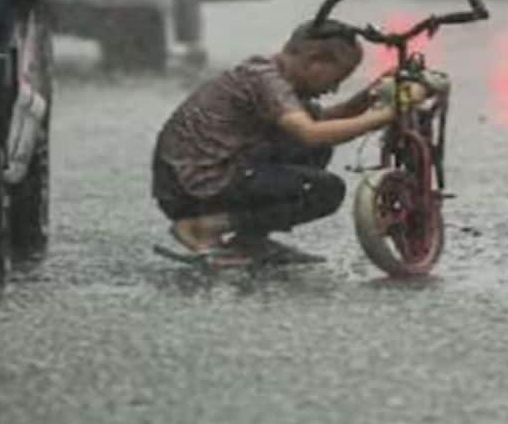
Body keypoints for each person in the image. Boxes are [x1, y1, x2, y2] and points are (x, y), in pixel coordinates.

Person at [151, 21, 424, 266]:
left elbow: (323, 121)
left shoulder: (274, 75)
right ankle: (201, 228)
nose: (334, 89)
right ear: (314, 60)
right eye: (336, 78)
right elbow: (310, 132)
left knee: (314, 150)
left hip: (199, 179)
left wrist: (368, 97)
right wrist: (386, 116)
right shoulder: (267, 80)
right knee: (325, 190)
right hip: (194, 188)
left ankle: (249, 240)